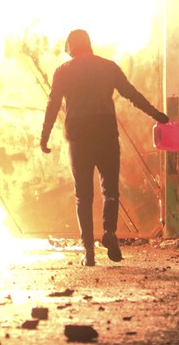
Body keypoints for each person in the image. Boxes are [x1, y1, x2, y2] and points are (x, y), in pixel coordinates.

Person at [40, 29, 168, 267]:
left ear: (71, 47)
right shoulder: (109, 67)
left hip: (78, 138)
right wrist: (157, 115)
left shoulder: (63, 72)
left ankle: (88, 252)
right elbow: (131, 94)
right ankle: (109, 232)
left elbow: (53, 103)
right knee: (110, 190)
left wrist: (44, 136)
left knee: (83, 196)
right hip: (106, 134)